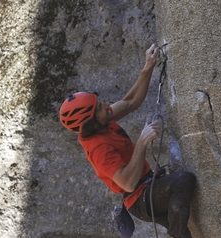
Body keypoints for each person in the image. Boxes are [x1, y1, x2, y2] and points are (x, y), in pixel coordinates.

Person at [59, 44, 196, 238]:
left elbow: (131, 102)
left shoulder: (103, 121)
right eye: (99, 107)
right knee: (183, 181)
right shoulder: (98, 148)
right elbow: (128, 183)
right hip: (140, 199)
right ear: (90, 123)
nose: (107, 106)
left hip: (149, 187)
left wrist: (148, 66)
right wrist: (142, 141)